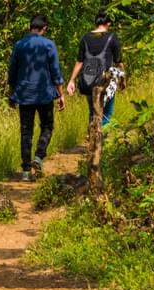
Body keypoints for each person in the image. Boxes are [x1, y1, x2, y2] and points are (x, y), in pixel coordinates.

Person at [8, 14, 66, 181]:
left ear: (30, 27)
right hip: (44, 94)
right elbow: (56, 72)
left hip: (24, 94)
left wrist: (11, 94)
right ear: (44, 28)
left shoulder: (19, 45)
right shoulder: (49, 45)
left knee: (26, 131)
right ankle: (39, 156)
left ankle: (26, 172)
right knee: (47, 126)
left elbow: (12, 71)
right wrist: (61, 95)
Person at [66, 10, 124, 126]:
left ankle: (92, 138)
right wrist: (123, 79)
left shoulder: (85, 38)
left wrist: (71, 80)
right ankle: (100, 140)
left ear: (96, 23)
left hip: (89, 81)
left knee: (93, 112)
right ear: (108, 23)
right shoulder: (112, 37)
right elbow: (118, 62)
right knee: (106, 113)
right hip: (105, 82)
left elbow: (79, 61)